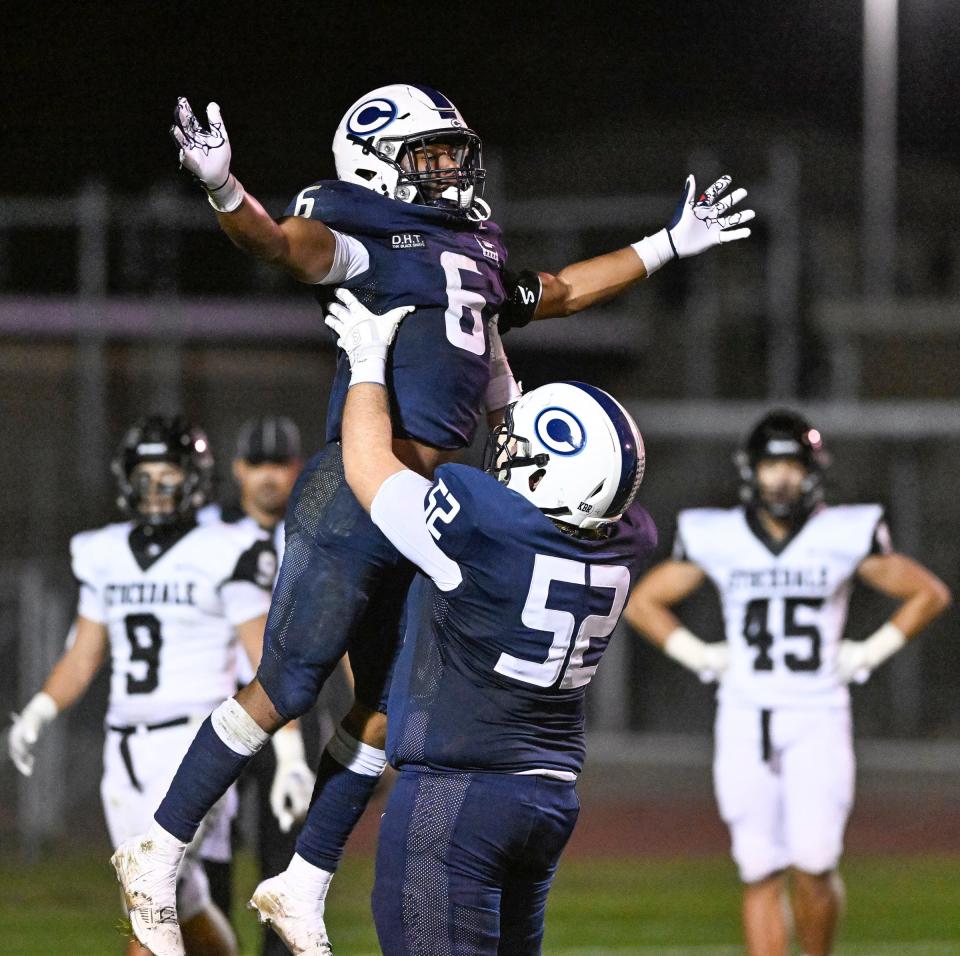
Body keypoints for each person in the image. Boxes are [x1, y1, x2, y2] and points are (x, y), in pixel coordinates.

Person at [112, 83, 753, 956]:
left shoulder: (472, 245)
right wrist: (227, 191)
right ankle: (157, 846)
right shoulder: (363, 234)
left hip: (432, 506)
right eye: (428, 154)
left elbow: (558, 291)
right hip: (358, 486)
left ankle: (303, 880)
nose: (450, 167)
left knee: (389, 710)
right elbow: (282, 245)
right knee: (290, 684)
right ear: (375, 162)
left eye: (453, 150)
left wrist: (667, 243)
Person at [324, 290, 658, 953]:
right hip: (545, 796)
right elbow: (539, 478)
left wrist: (366, 360)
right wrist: (497, 365)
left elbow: (367, 468)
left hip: (458, 796)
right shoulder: (623, 538)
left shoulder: (483, 530)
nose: (501, 452)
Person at [622, 409, 952, 956]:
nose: (781, 478)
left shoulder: (843, 531)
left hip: (817, 713)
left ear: (812, 471)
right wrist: (698, 653)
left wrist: (871, 649)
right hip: (744, 715)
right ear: (751, 470)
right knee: (758, 869)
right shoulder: (718, 534)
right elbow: (643, 602)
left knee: (816, 863)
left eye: (792, 466)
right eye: (771, 465)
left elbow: (928, 593)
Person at [7, 416, 277, 956]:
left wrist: (288, 750)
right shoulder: (102, 551)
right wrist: (38, 710)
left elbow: (264, 663)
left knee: (153, 901)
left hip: (196, 743)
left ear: (193, 478)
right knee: (183, 900)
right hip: (123, 748)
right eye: (145, 474)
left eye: (167, 473)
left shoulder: (228, 547)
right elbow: (83, 656)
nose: (155, 487)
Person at [197, 416, 317, 956]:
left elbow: (338, 633)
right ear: (238, 469)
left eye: (280, 464)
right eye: (259, 464)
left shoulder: (315, 534)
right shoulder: (205, 534)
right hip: (220, 707)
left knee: (288, 861)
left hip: (292, 710)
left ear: (296, 469)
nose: (270, 477)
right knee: (210, 856)